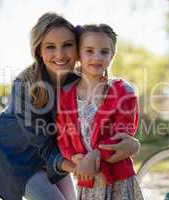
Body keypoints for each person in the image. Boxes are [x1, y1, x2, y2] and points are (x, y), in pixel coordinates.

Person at [0, 12, 140, 200]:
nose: (60, 54)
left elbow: (109, 112)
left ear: (78, 48)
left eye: (67, 45)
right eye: (50, 47)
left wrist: (133, 144)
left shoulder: (78, 81)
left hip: (56, 153)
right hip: (18, 157)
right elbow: (43, 145)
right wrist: (83, 164)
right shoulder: (25, 84)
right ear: (39, 51)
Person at [56, 24, 144, 200]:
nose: (97, 57)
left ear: (112, 55)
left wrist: (95, 155)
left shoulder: (123, 91)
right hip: (88, 179)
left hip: (119, 178)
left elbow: (123, 135)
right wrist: (75, 158)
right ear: (79, 54)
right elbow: (62, 136)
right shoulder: (65, 96)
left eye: (104, 52)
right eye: (89, 50)